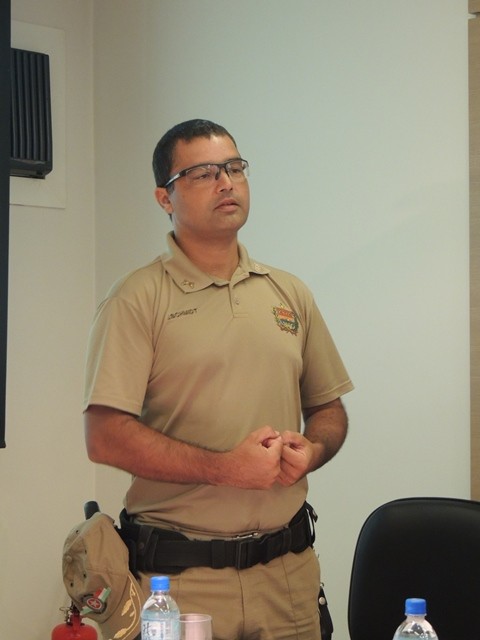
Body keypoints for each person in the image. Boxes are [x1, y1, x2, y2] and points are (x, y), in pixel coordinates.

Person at [83, 119, 353, 640]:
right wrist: (225, 469)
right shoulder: (136, 299)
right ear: (165, 197)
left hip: (287, 574)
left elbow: (328, 409)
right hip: (181, 581)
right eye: (204, 173)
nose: (226, 182)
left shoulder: (288, 293)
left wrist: (314, 449)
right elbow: (104, 436)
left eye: (234, 167)